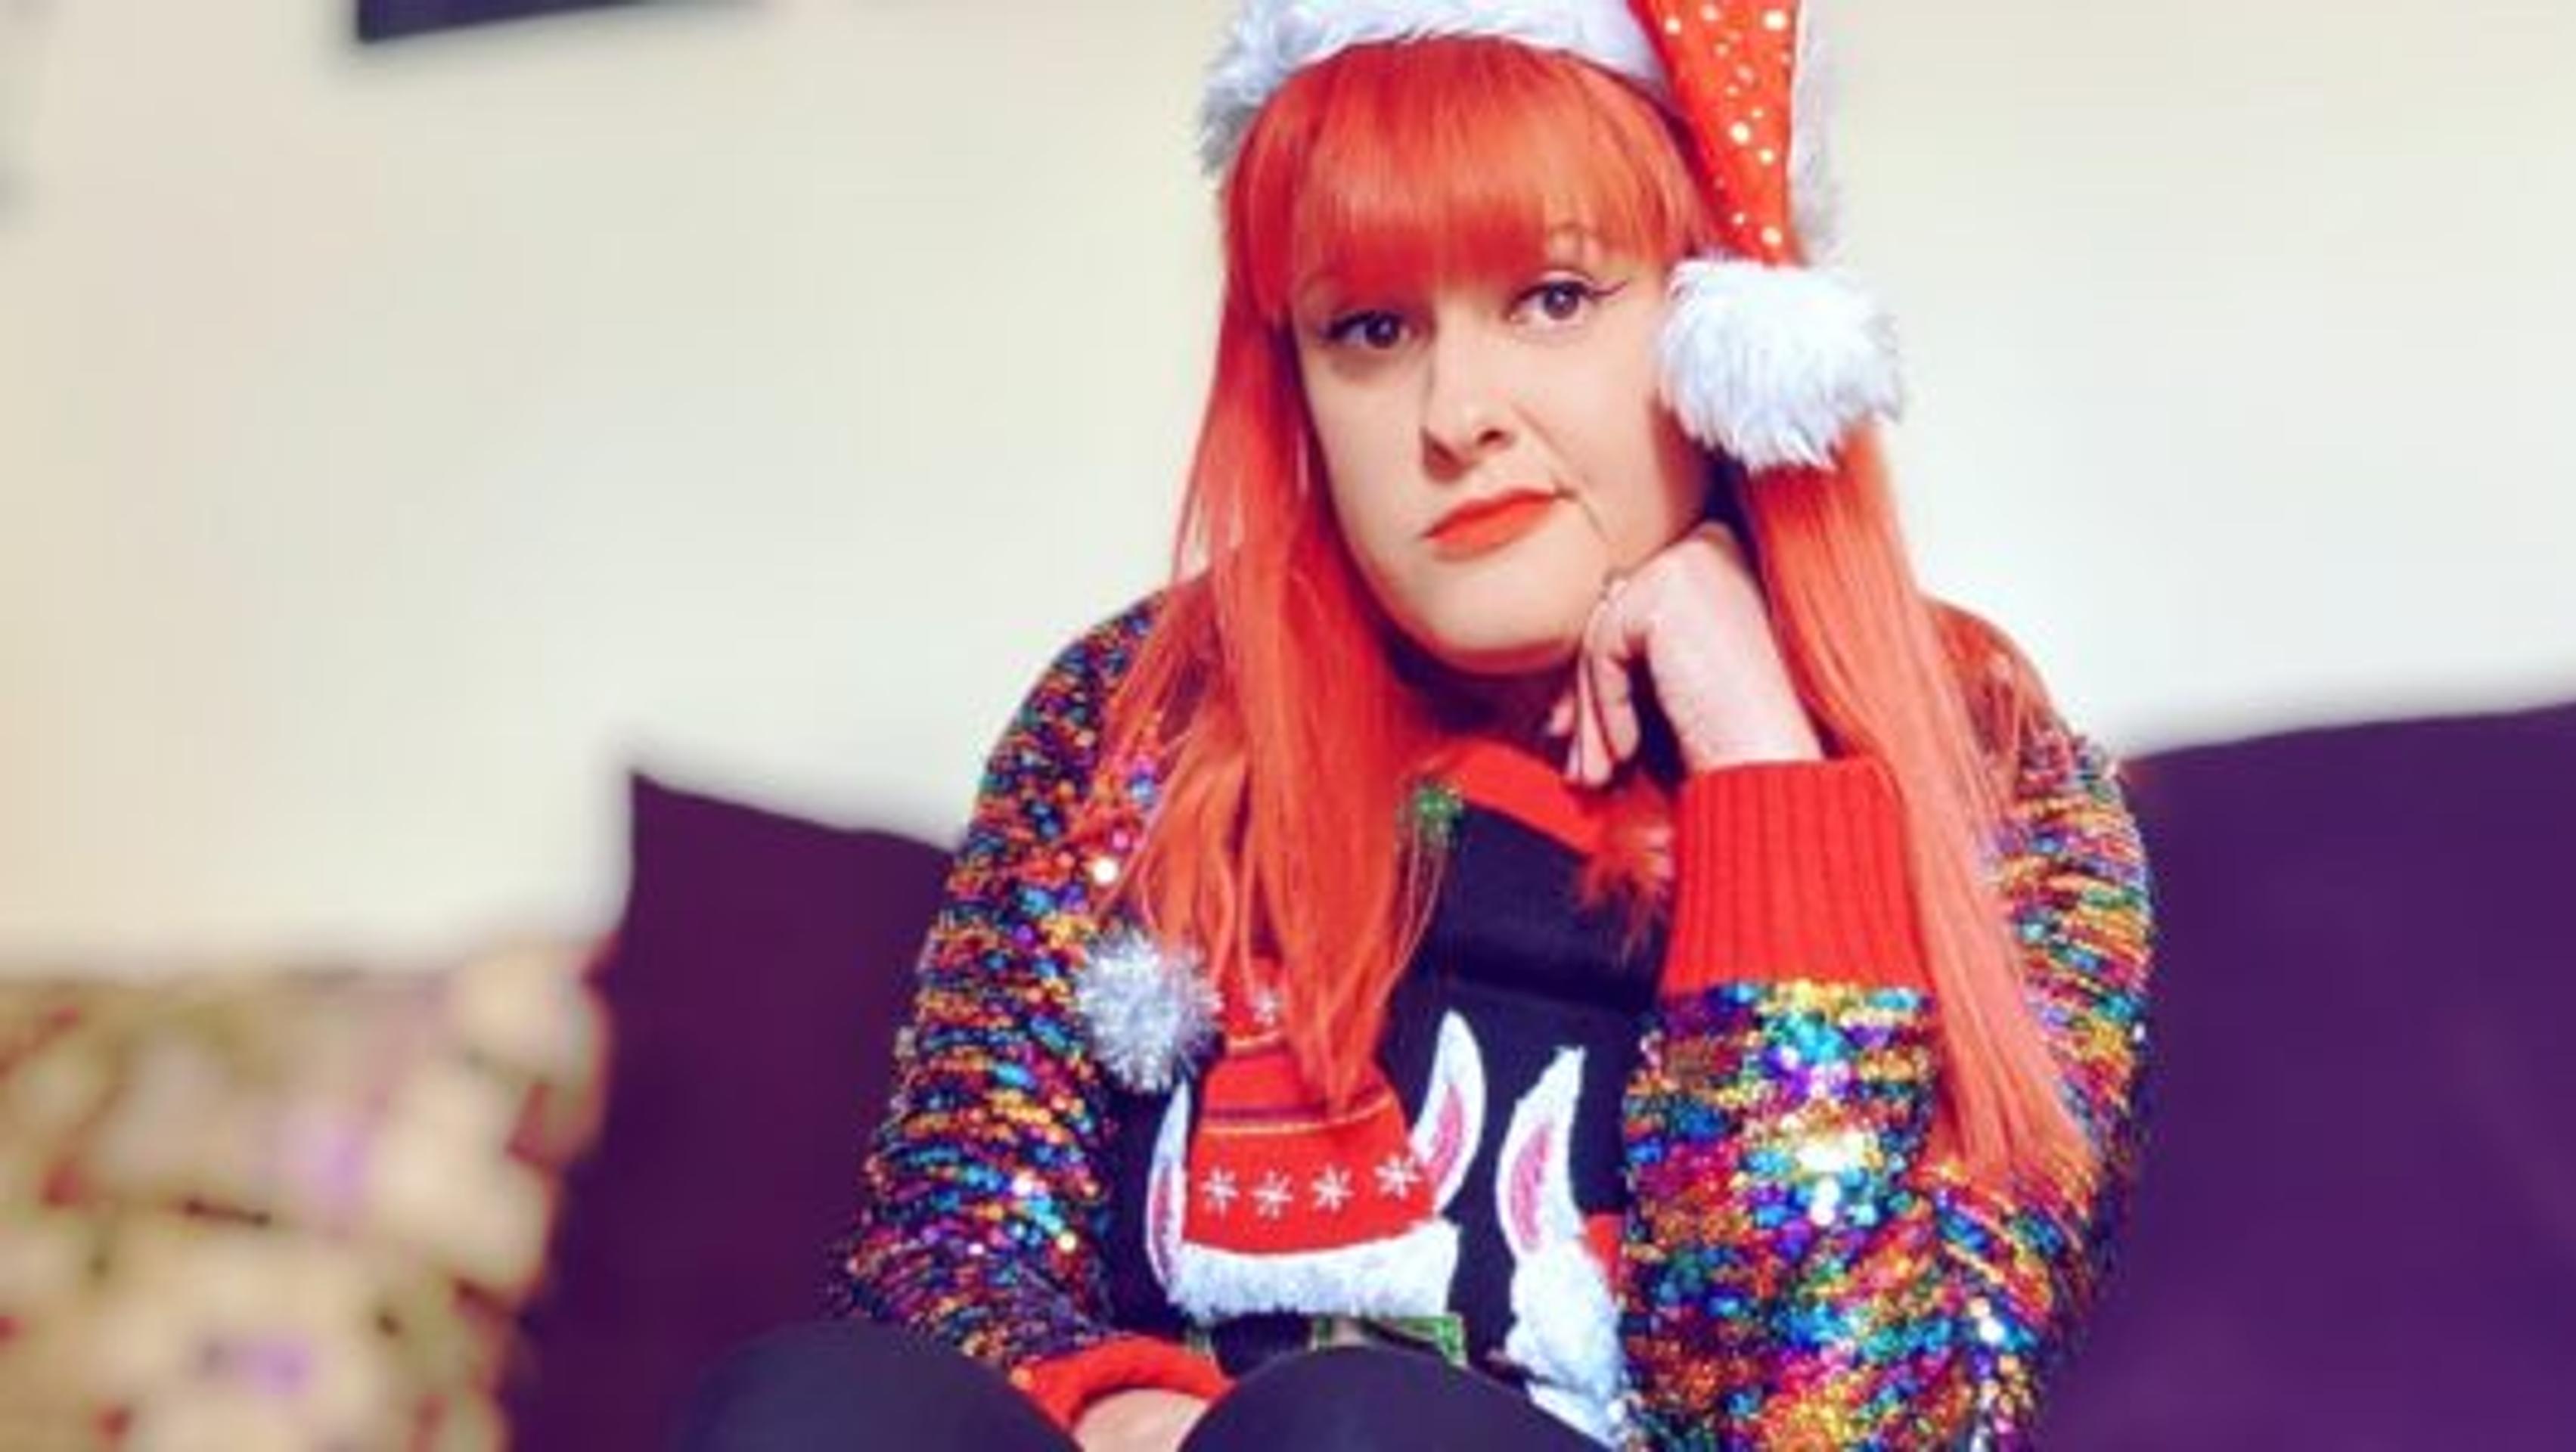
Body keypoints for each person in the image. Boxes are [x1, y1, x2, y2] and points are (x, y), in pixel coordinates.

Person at [676, 2, 2155, 1448]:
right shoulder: (1129, 718)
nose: (1455, 412)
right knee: (806, 1407)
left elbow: (1853, 1431)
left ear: (1717, 314)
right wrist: (1126, 1403)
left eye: (1556, 299)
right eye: (1371, 328)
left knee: (1349, 1429)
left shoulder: (1998, 781)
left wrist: (1765, 768)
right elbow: (941, 1257)